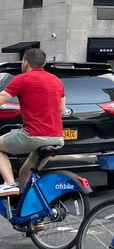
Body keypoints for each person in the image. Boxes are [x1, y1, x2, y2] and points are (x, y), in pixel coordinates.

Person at [0, 48, 65, 195]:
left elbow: (2, 97)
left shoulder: (23, 79)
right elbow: (62, 110)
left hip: (35, 135)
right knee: (25, 173)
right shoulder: (57, 81)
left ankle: (9, 184)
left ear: (25, 62)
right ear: (44, 63)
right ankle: (30, 211)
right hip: (57, 137)